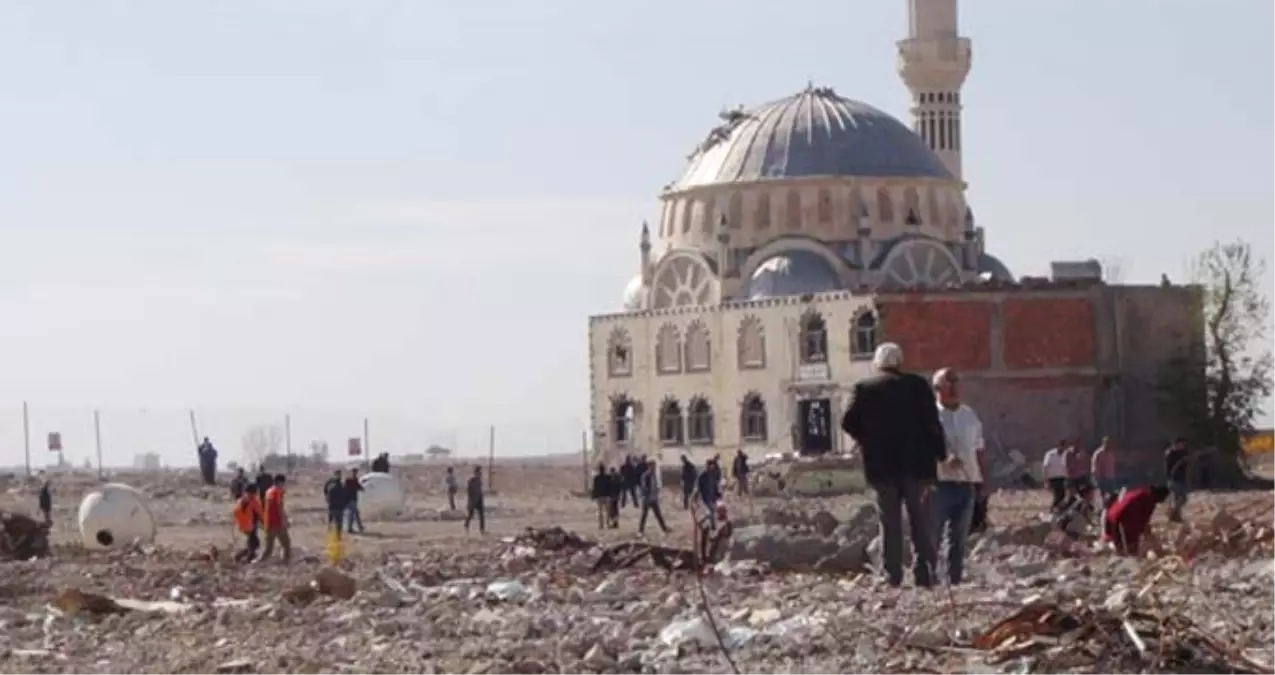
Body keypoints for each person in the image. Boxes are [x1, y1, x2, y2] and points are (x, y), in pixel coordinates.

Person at [841, 342, 945, 589]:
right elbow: (932, 423)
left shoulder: (864, 389)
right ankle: (926, 574)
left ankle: (892, 575)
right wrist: (940, 454)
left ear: (877, 364)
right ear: (900, 362)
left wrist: (867, 439)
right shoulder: (918, 386)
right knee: (920, 520)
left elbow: (847, 421)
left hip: (882, 467)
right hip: (917, 466)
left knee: (889, 523)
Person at [931, 367, 986, 586]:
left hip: (966, 483)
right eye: (949, 382)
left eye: (956, 381)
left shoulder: (969, 415)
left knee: (958, 538)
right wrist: (943, 459)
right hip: (938, 484)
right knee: (933, 534)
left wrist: (983, 480)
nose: (954, 387)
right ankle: (930, 579)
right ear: (937, 388)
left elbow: (980, 448)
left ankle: (953, 579)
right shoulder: (930, 417)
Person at [1103, 485, 1170, 555]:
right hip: (1120, 521)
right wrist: (1157, 547)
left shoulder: (1141, 492)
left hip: (1111, 517)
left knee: (1124, 547)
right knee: (1130, 550)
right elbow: (1145, 527)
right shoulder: (1148, 500)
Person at [258, 475, 291, 564]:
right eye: (283, 483)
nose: (284, 485)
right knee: (286, 544)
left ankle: (257, 563)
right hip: (277, 523)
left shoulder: (269, 491)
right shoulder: (277, 492)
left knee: (268, 549)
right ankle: (285, 563)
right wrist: (285, 520)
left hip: (268, 523)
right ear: (280, 482)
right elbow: (279, 507)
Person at [637, 459, 671, 536]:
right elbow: (644, 487)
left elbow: (654, 485)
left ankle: (664, 528)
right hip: (647, 499)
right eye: (652, 466)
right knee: (644, 515)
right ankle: (640, 531)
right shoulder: (645, 476)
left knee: (658, 514)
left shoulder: (654, 475)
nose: (654, 467)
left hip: (653, 498)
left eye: (654, 466)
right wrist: (647, 494)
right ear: (649, 466)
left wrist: (656, 491)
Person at [232, 484, 264, 563]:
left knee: (253, 543)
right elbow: (260, 514)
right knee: (254, 544)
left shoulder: (240, 500)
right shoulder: (254, 501)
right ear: (254, 492)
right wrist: (266, 523)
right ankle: (245, 559)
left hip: (241, 526)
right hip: (250, 526)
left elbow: (235, 512)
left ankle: (241, 555)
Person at [1164, 438, 1189, 522]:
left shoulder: (1184, 453)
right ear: (1176, 444)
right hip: (1173, 479)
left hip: (1182, 479)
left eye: (1183, 444)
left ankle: (1174, 514)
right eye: (1180, 444)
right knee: (1177, 498)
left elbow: (1186, 464)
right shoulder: (1170, 454)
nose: (1182, 446)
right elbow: (1169, 467)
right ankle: (1175, 516)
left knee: (1184, 499)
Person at [695, 458, 723, 529]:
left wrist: (718, 493)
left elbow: (715, 485)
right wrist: (697, 497)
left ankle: (701, 521)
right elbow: (699, 488)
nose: (711, 467)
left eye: (712, 466)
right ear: (706, 466)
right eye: (709, 466)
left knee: (712, 512)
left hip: (712, 496)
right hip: (705, 497)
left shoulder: (712, 475)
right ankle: (713, 527)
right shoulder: (702, 476)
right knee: (711, 512)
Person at [1091, 437, 1119, 508]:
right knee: (1102, 496)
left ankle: (1110, 507)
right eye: (1108, 443)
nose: (1109, 445)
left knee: (1112, 495)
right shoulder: (1098, 453)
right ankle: (1102, 509)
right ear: (1104, 443)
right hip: (1102, 478)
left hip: (1110, 477)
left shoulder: (1110, 453)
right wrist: (1097, 478)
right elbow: (1094, 467)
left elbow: (1112, 464)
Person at [1041, 441, 1069, 510]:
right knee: (1058, 494)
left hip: (1063, 477)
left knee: (1063, 495)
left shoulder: (1067, 454)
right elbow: (1045, 467)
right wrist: (1046, 480)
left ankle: (1058, 510)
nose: (1063, 448)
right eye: (1062, 446)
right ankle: (1053, 509)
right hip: (1053, 478)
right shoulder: (1050, 454)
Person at [323, 470, 347, 538]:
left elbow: (344, 495)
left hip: (335, 506)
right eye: (338, 474)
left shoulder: (338, 485)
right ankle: (334, 536)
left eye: (339, 474)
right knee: (335, 522)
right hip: (335, 506)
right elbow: (325, 489)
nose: (339, 476)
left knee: (335, 522)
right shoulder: (333, 484)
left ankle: (336, 536)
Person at [465, 466, 486, 534]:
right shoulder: (472, 480)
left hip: (479, 499)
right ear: (476, 472)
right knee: (471, 514)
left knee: (482, 515)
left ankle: (482, 529)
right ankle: (466, 525)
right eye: (479, 472)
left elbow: (479, 490)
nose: (481, 473)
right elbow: (469, 491)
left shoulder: (479, 480)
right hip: (473, 500)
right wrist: (470, 500)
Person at [591, 463, 611, 530]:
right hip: (607, 495)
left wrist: (593, 496)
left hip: (599, 496)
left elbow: (595, 488)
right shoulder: (608, 477)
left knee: (600, 512)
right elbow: (610, 486)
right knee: (607, 511)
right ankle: (607, 524)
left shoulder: (596, 478)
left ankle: (601, 525)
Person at [344, 469, 365, 534]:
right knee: (353, 514)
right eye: (354, 473)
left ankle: (358, 527)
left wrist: (361, 487)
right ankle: (352, 528)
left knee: (354, 514)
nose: (355, 474)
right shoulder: (349, 480)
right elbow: (349, 488)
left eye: (355, 473)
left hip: (353, 499)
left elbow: (359, 487)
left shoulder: (355, 480)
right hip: (350, 499)